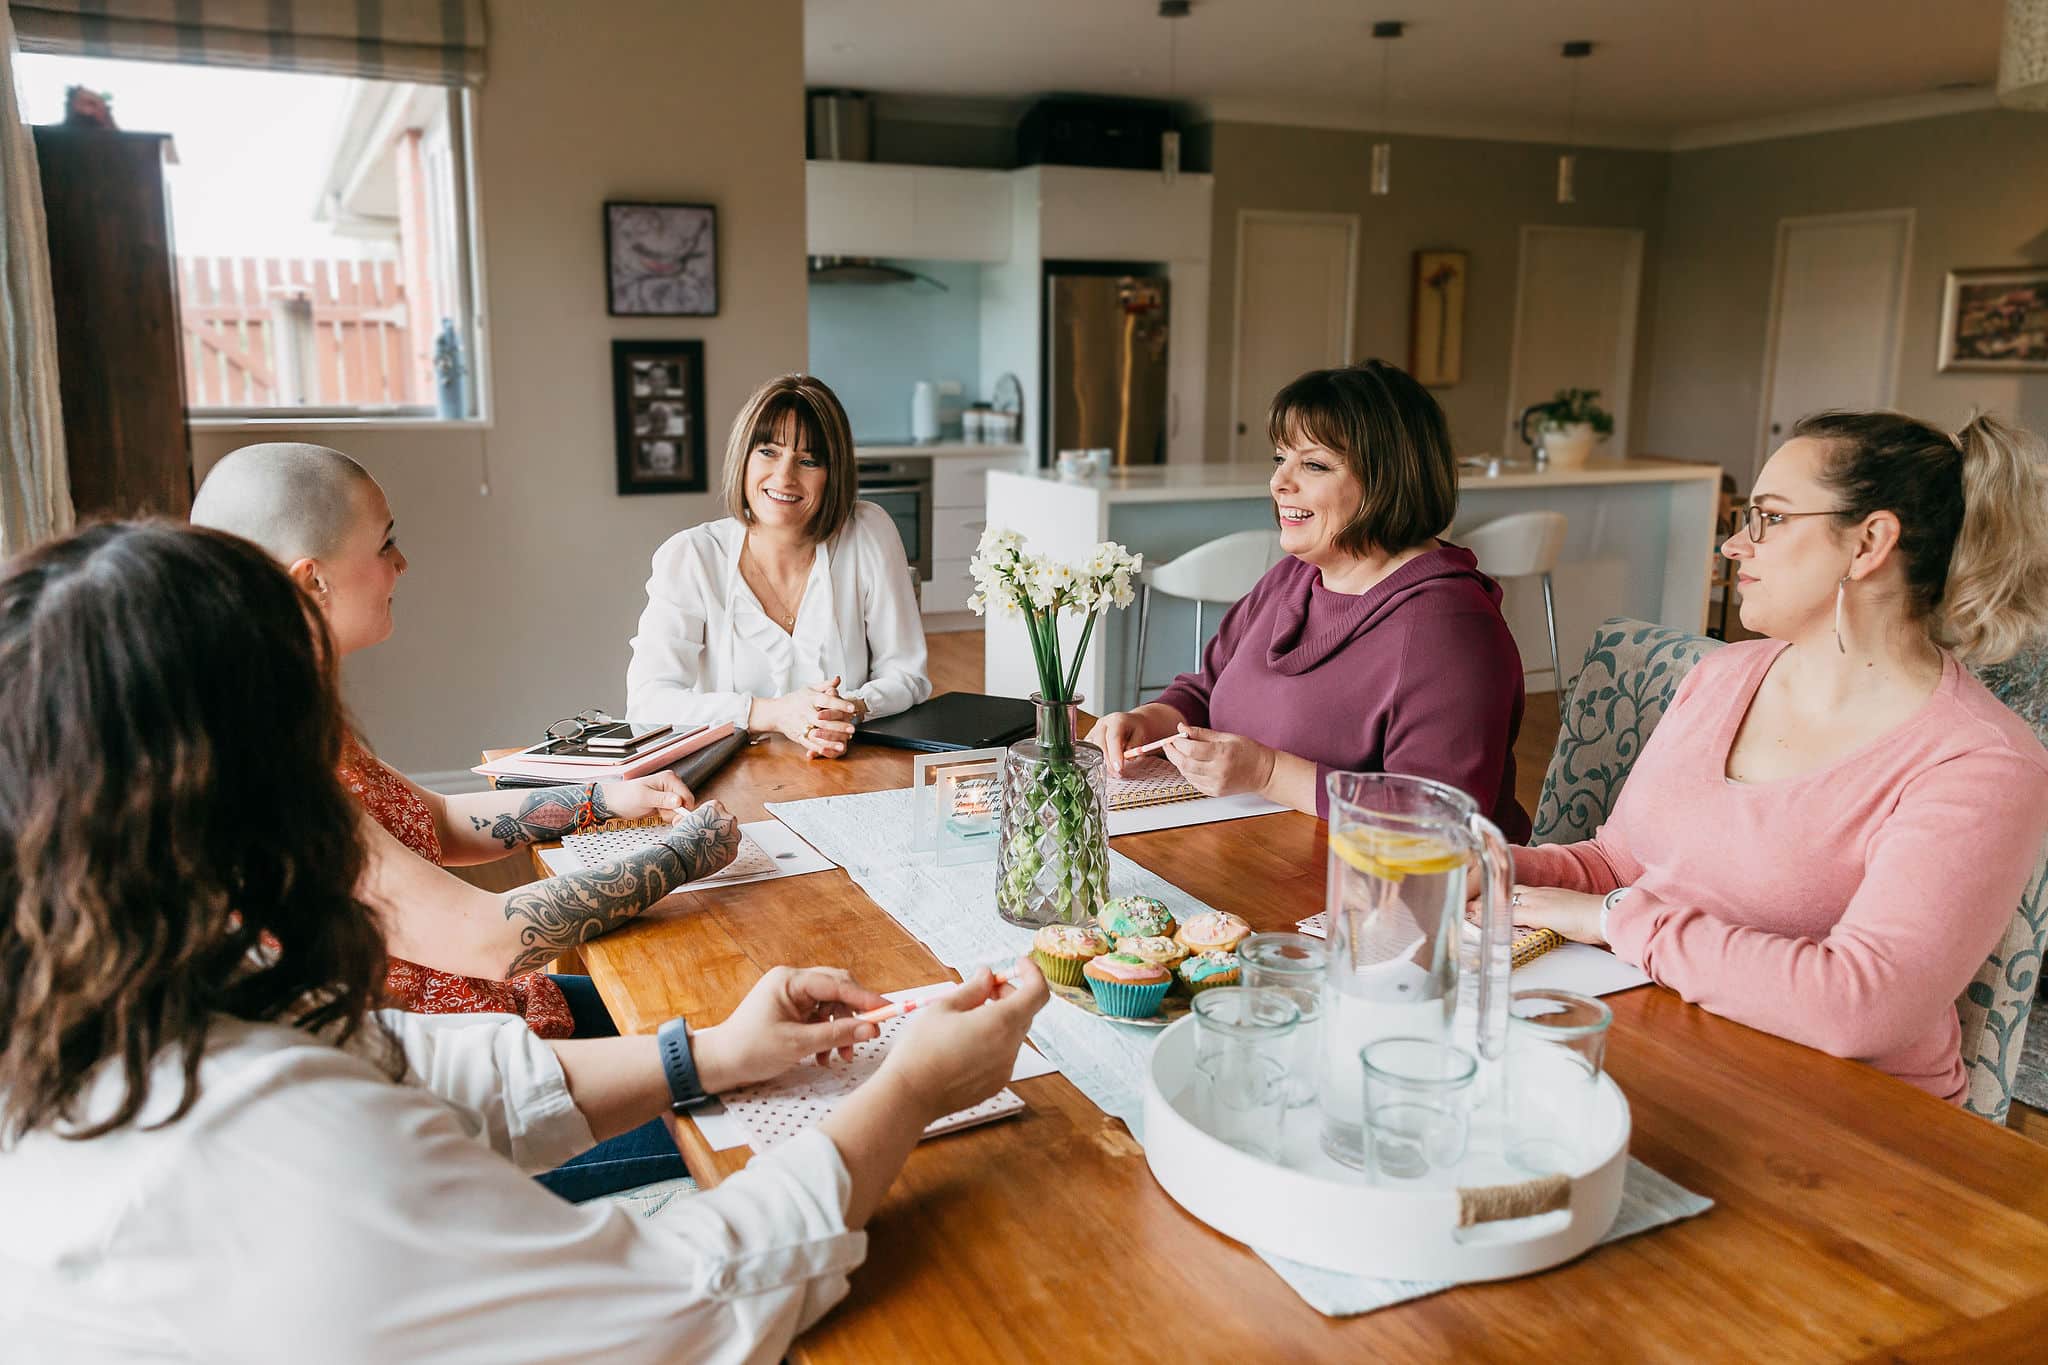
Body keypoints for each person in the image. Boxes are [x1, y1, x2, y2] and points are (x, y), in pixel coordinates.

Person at [0, 521, 1050, 1360]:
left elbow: (429, 1071)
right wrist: (906, 1092)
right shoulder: (267, 1153)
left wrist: (714, 1051)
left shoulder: (133, 986)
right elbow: (681, 1302)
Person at [192, 442, 722, 1198]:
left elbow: (431, 820)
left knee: (704, 1006)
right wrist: (683, 854)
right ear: (311, 582)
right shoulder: (261, 762)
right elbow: (491, 936)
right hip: (447, 1112)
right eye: (384, 543)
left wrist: (604, 797)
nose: (401, 563)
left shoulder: (288, 704)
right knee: (752, 1102)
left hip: (498, 1022)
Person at [1508, 410, 2048, 1102]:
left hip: (1858, 1127)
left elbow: (1860, 1004)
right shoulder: (1724, 675)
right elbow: (1620, 865)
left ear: (1869, 543)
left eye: (1768, 517)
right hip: (1678, 1046)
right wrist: (1501, 872)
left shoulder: (1982, 762)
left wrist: (1616, 919)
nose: (1734, 546)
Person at [1088, 360, 1529, 835]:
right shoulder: (1292, 579)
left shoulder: (1449, 627)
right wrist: (1147, 721)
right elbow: (1207, 689)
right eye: (1281, 458)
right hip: (1253, 854)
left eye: (1314, 464)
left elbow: (1435, 819)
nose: (1279, 482)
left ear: (1389, 480)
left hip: (1376, 892)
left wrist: (1268, 772)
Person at [627, 374, 931, 759]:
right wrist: (772, 714)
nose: (785, 477)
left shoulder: (868, 532)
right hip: (729, 786)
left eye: (808, 460)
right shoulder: (691, 557)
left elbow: (908, 675)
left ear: (833, 473)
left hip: (844, 776)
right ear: (744, 458)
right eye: (768, 452)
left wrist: (848, 708)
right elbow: (647, 703)